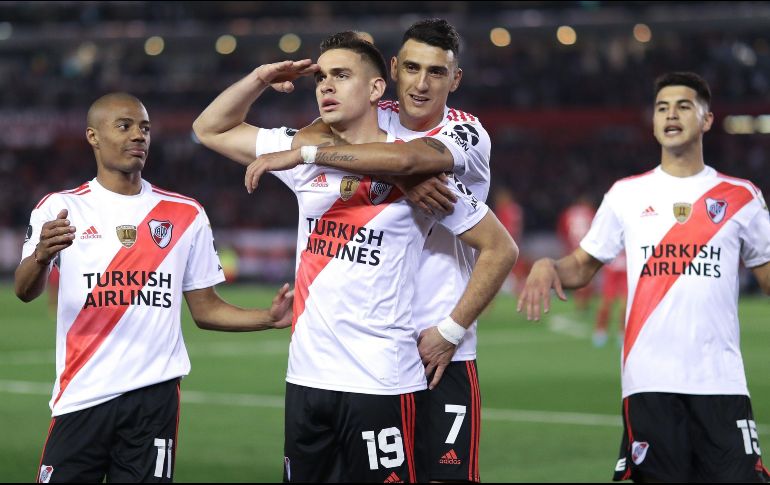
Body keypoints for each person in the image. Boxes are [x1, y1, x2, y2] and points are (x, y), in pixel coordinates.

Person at [197, 32, 517, 482]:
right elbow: (215, 129)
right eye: (411, 68)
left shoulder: (456, 139)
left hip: (430, 349)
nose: (421, 83)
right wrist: (262, 80)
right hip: (325, 368)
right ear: (391, 72)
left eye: (436, 71)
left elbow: (410, 163)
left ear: (455, 79)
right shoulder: (347, 128)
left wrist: (451, 328)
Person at [14, 93, 294, 483]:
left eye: (144, 128)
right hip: (82, 395)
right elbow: (24, 290)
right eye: (124, 126)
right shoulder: (60, 208)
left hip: (154, 399)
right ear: (93, 136)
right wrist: (42, 255)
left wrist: (266, 317)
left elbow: (206, 309)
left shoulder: (185, 213)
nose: (138, 136)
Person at [517, 72, 770, 482]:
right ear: (654, 123)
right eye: (662, 108)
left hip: (721, 381)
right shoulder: (626, 195)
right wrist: (549, 265)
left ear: (706, 120)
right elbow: (583, 264)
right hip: (650, 382)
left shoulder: (741, 196)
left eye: (684, 106)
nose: (671, 114)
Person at [556, 196, 596, 311]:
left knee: (577, 274)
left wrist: (566, 245)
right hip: (587, 247)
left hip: (572, 247)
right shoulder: (590, 212)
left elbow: (562, 230)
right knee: (588, 273)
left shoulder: (568, 212)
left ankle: (579, 302)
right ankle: (583, 303)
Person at [592, 252, 627, 347]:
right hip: (612, 270)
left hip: (626, 271)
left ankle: (623, 333)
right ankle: (600, 331)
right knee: (606, 302)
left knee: (625, 304)